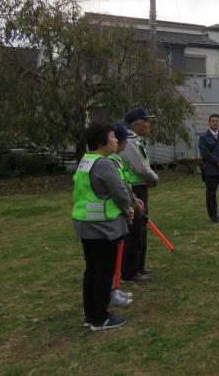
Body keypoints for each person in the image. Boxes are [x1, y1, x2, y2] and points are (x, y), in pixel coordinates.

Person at [72, 121, 133, 331]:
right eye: (113, 136)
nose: (116, 140)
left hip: (85, 225)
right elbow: (119, 192)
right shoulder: (104, 163)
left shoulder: (85, 161)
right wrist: (128, 209)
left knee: (92, 271)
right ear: (101, 141)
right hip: (103, 228)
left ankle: (91, 315)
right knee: (104, 272)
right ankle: (101, 317)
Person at [108, 123, 144, 307]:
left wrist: (134, 198)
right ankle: (112, 290)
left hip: (122, 208)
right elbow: (119, 186)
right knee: (112, 255)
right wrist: (131, 205)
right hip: (113, 213)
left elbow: (125, 184)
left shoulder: (117, 158)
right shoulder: (111, 160)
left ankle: (115, 287)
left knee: (117, 252)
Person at [121, 107, 158, 283]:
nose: (149, 124)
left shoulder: (136, 140)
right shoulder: (129, 141)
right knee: (134, 230)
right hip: (134, 188)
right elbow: (140, 167)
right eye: (146, 121)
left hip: (140, 186)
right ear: (137, 124)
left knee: (141, 228)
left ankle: (139, 266)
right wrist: (154, 177)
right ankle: (130, 271)